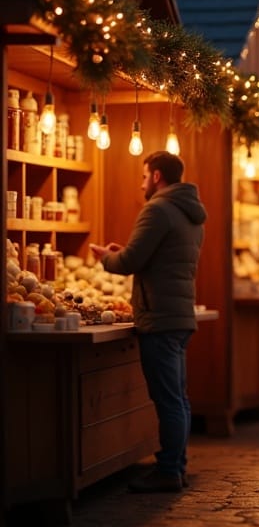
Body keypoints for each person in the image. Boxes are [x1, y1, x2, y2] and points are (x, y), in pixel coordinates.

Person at [90, 151, 206, 493]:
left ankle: (169, 470)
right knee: (179, 398)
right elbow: (160, 258)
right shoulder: (191, 214)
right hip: (179, 315)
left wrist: (107, 257)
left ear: (156, 176)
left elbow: (131, 262)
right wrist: (125, 251)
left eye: (144, 177)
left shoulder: (156, 208)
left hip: (159, 316)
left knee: (168, 399)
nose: (142, 184)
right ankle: (176, 466)